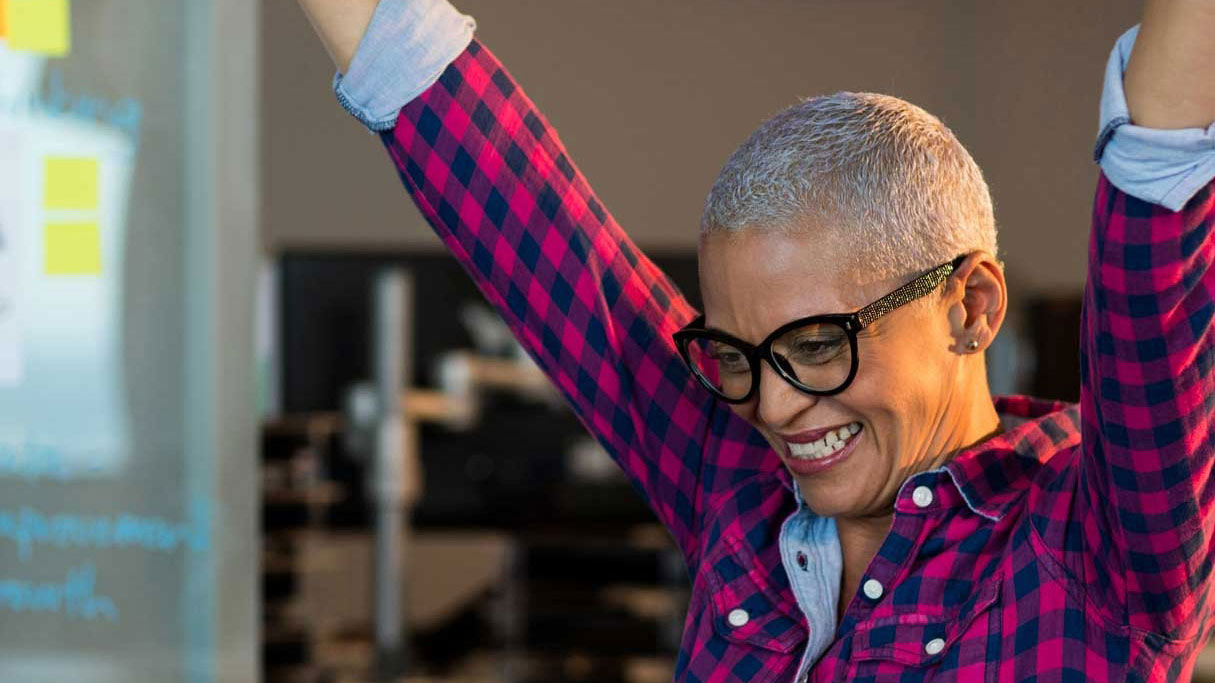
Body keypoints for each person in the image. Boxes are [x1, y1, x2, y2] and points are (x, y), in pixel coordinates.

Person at [296, 0, 1215, 679]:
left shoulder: (1100, 545)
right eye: (736, 356)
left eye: (818, 346)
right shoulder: (739, 486)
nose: (772, 408)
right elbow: (515, 209)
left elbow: (1158, 197)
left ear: (969, 306)